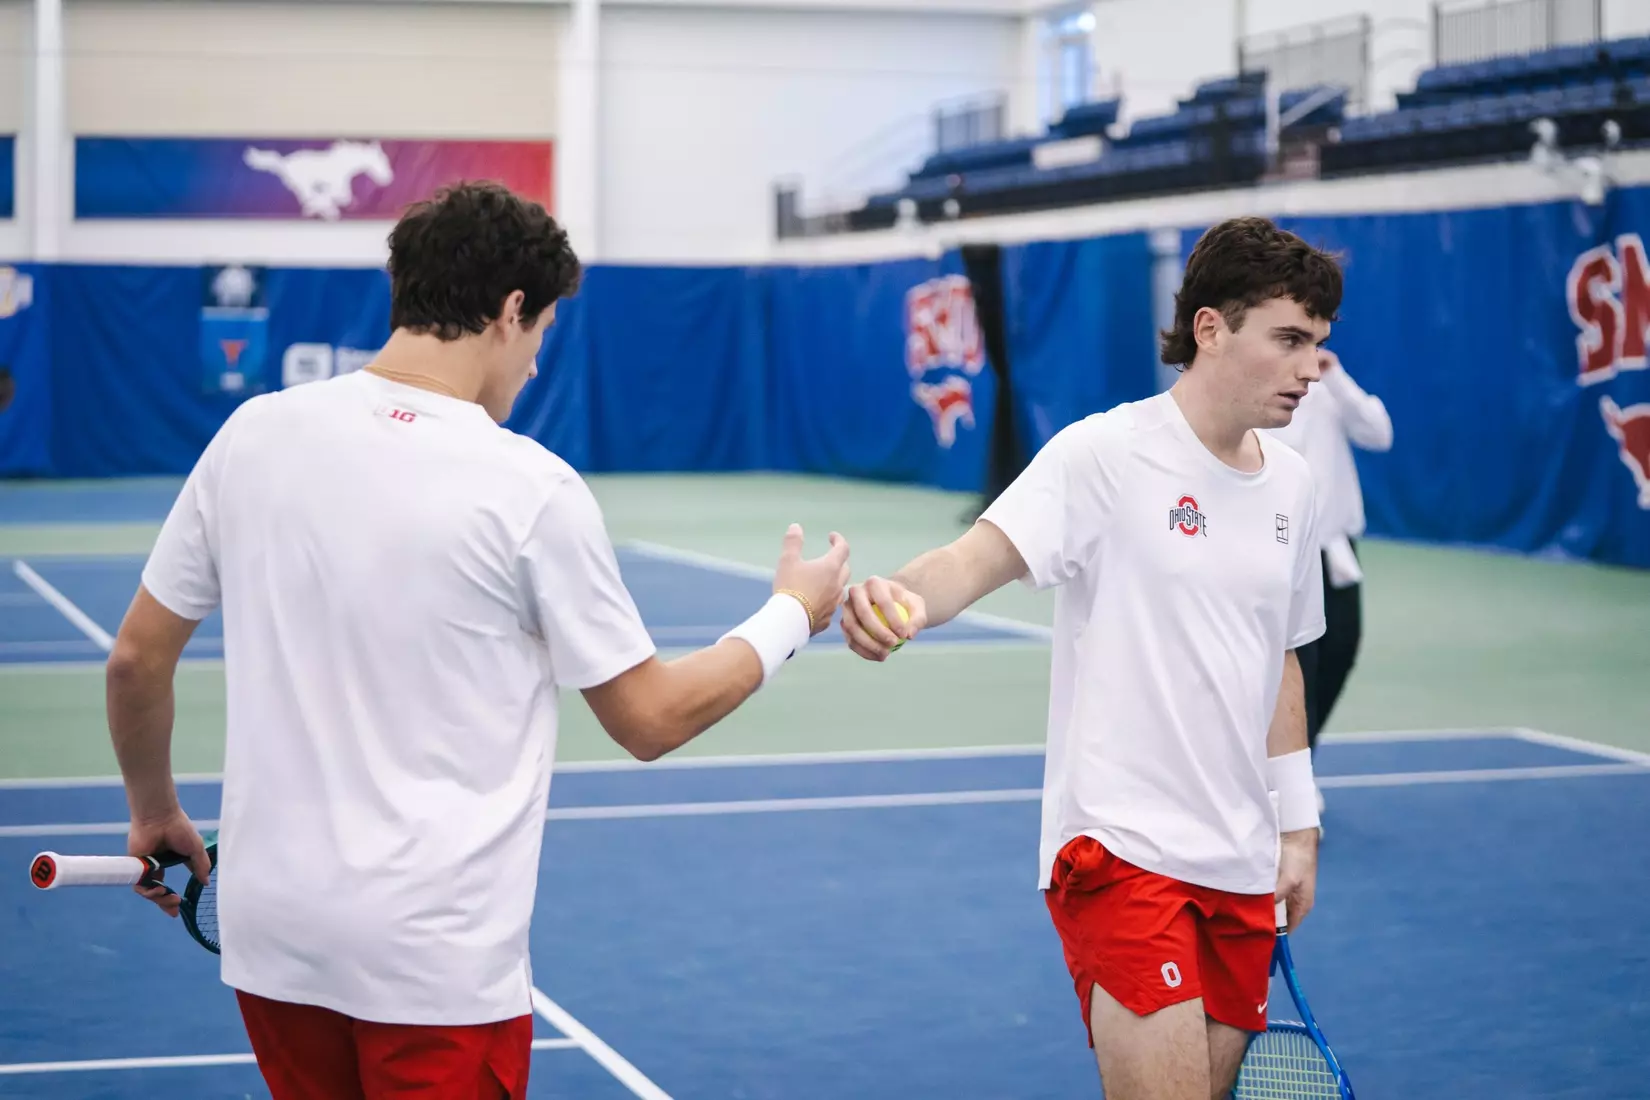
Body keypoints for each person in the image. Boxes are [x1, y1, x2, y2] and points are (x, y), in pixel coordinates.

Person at [106, 181, 850, 1100]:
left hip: (273, 940)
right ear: (509, 312)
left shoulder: (252, 434)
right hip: (434, 963)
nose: (535, 364)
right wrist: (791, 615)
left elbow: (137, 659)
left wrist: (153, 809)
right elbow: (649, 720)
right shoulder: (530, 487)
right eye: (539, 333)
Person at [840, 216, 1341, 1100]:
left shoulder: (1294, 485)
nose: (1313, 368)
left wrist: (1296, 826)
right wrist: (902, 599)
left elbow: (1284, 661)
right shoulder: (1106, 454)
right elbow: (973, 558)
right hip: (1120, 851)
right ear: (1212, 329)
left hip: (1239, 859)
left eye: (1320, 344)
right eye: (1292, 341)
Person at [1265, 348, 1392, 774]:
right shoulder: (1262, 395)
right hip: (1281, 554)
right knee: (1299, 668)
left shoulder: (1326, 387)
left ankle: (1300, 759)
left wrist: (1336, 376)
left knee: (1341, 647)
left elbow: (1379, 433)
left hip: (1335, 551)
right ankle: (1291, 774)